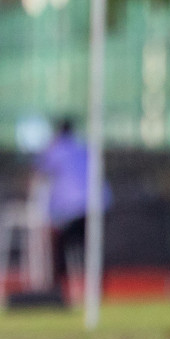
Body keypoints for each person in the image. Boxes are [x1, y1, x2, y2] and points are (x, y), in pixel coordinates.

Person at [36, 118, 110, 302]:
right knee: (90, 249)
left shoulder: (56, 149)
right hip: (98, 206)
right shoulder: (85, 148)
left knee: (58, 246)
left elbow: (39, 172)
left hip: (72, 209)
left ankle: (58, 290)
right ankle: (97, 290)